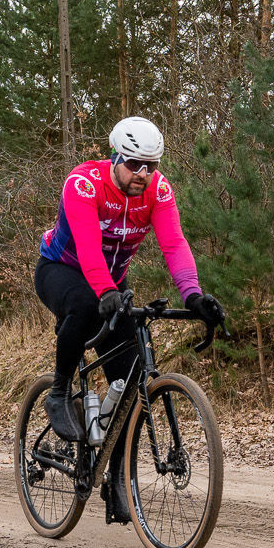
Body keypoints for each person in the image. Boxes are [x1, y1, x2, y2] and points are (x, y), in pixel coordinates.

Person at [36, 117, 224, 516]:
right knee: (83, 305)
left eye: (151, 165)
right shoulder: (83, 184)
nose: (143, 174)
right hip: (62, 270)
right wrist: (105, 292)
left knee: (131, 379)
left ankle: (118, 475)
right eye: (135, 164)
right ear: (115, 157)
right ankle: (59, 392)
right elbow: (88, 245)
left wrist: (192, 295)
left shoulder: (157, 190)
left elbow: (174, 243)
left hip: (110, 283)